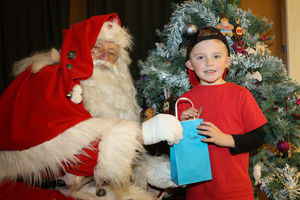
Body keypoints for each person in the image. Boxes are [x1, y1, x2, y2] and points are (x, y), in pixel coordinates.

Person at [0, 13, 183, 200]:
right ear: (78, 49)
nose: (104, 56)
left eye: (111, 53)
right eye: (96, 48)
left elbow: (111, 165)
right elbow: (67, 155)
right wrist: (143, 134)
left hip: (87, 188)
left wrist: (150, 172)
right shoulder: (47, 78)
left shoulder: (112, 92)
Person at [177, 26, 268, 200]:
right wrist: (181, 126)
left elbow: (258, 137)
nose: (209, 63)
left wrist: (225, 139)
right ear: (190, 64)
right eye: (200, 57)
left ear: (227, 61)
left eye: (216, 56)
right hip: (198, 194)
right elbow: (177, 149)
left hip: (237, 192)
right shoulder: (184, 101)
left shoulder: (241, 94)